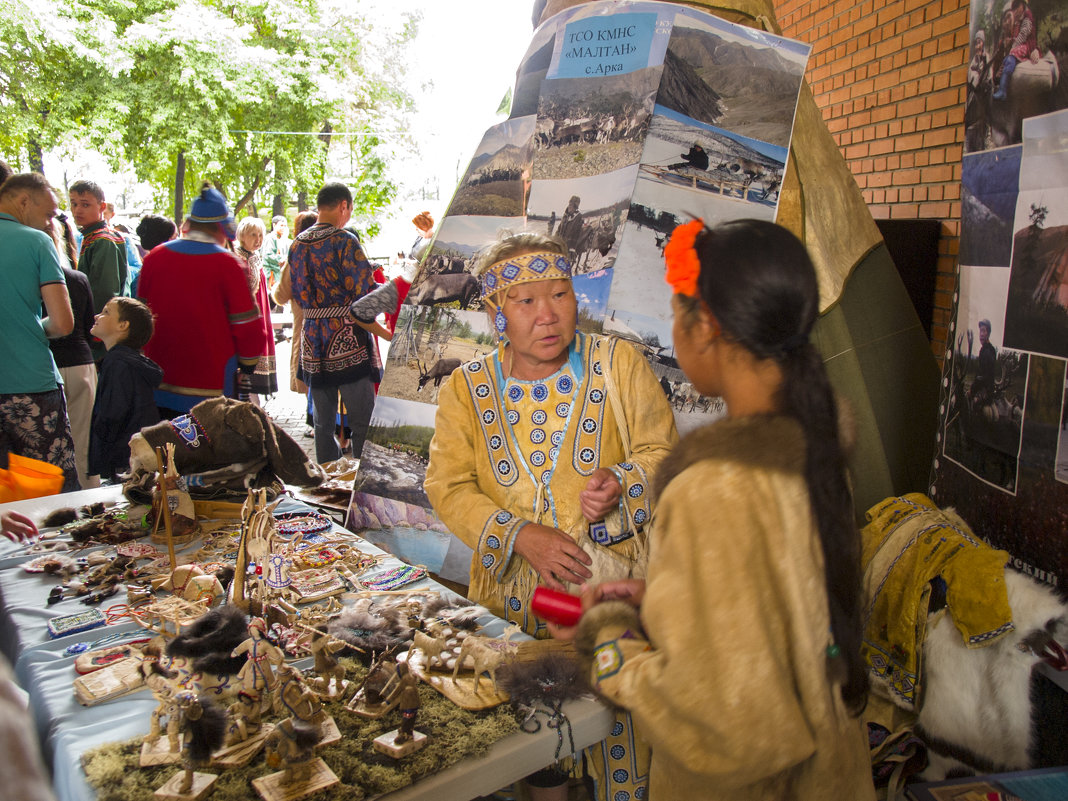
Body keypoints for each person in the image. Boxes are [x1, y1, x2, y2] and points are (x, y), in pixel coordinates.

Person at [553, 219, 875, 801]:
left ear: (706, 328)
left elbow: (720, 725)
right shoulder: (812, 448)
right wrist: (669, 602)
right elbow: (779, 604)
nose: (673, 332)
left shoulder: (712, 489)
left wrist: (608, 632)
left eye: (677, 314)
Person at [424, 231, 678, 801]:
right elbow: (447, 484)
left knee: (618, 739)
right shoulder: (466, 389)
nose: (548, 315)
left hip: (606, 602)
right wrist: (518, 535)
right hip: (512, 604)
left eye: (560, 294)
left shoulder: (618, 363)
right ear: (496, 313)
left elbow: (664, 454)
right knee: (530, 753)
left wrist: (622, 485)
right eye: (526, 300)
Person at [136, 184, 262, 419]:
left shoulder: (155, 258)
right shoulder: (230, 265)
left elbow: (140, 316)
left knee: (165, 449)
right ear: (221, 227)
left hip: (158, 380)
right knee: (207, 450)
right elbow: (247, 327)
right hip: (211, 386)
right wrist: (247, 365)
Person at [287, 183, 379, 463]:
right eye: (349, 210)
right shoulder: (345, 241)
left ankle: (327, 482)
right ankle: (362, 485)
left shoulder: (297, 244)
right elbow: (366, 294)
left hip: (313, 341)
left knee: (322, 425)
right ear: (343, 206)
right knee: (362, 421)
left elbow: (296, 291)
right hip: (347, 341)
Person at [0, 172, 79, 492]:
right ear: (23, 201)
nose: (50, 222)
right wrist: (30, 326)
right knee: (54, 498)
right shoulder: (36, 242)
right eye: (48, 213)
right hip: (31, 384)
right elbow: (62, 323)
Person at [47, 217, 100, 489]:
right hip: (80, 363)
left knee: (50, 444)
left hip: (48, 366)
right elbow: (91, 325)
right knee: (83, 438)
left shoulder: (30, 282)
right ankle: (91, 499)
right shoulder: (78, 279)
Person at [68, 180, 126, 361]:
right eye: (74, 203)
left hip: (99, 329)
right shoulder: (92, 236)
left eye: (85, 205)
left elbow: (105, 291)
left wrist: (93, 329)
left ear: (102, 206)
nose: (78, 210)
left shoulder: (102, 240)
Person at [272, 210, 318, 396]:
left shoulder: (295, 258)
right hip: (333, 329)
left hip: (305, 327)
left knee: (308, 380)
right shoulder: (331, 252)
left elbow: (281, 296)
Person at [234, 217, 278, 402]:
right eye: (253, 234)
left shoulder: (255, 256)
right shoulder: (237, 256)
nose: (258, 239)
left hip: (260, 311)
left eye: (260, 234)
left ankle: (254, 402)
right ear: (242, 235)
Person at [992, 0, 1039, 101]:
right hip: (1008, 99)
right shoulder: (1001, 45)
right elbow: (995, 72)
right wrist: (997, 75)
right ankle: (1002, 90)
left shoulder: (1024, 21)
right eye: (1004, 19)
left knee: (1010, 58)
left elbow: (1025, 36)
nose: (1007, 22)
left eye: (1009, 17)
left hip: (1022, 94)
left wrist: (1034, 50)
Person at [102, 201, 143, 295]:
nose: (101, 216)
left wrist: (119, 270)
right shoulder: (79, 238)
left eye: (104, 213)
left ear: (112, 215)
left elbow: (137, 267)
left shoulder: (123, 239)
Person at [969, 318, 997, 405]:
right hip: (988, 390)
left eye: (983, 331)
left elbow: (983, 375)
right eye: (980, 331)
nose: (981, 334)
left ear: (988, 333)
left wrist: (972, 389)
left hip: (985, 391)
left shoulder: (986, 351)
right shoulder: (990, 349)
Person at [262, 214, 289, 292]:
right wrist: (281, 259)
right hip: (271, 272)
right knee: (271, 294)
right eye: (281, 225)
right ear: (274, 225)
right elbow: (268, 255)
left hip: (278, 272)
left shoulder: (282, 238)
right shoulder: (270, 238)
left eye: (285, 226)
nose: (283, 228)